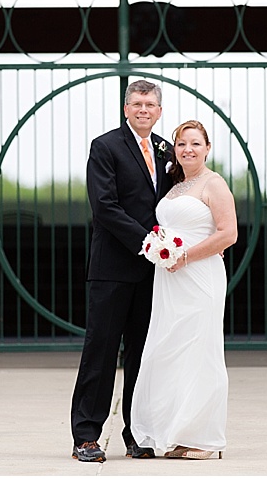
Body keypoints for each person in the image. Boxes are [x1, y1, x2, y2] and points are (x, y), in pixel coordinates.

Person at [70, 79, 175, 463]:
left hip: (154, 272)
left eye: (150, 104)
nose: (143, 109)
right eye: (137, 103)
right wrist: (148, 240)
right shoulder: (106, 146)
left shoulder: (167, 149)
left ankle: (137, 433)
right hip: (113, 267)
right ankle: (86, 436)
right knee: (100, 351)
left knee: (143, 356)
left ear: (159, 111)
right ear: (126, 108)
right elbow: (105, 206)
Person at [130, 119, 237, 460]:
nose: (188, 149)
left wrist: (186, 255)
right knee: (172, 349)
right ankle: (179, 431)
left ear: (207, 148)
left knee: (200, 349)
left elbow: (228, 234)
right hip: (170, 279)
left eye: (195, 143)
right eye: (181, 144)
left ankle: (205, 438)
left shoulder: (214, 184)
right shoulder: (175, 186)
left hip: (199, 275)